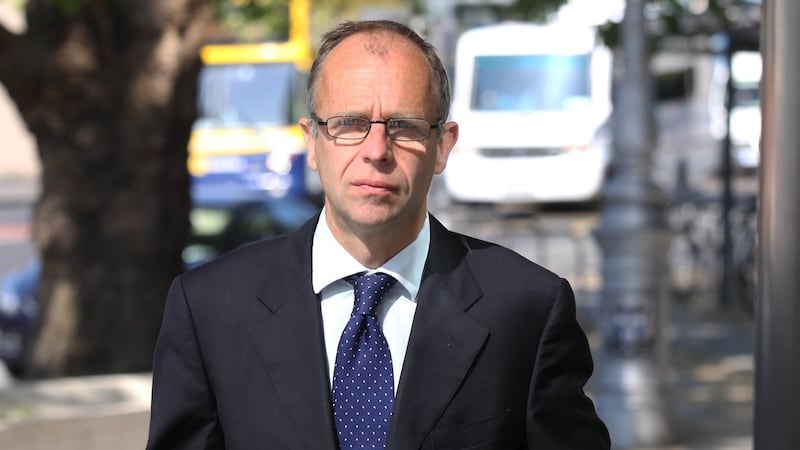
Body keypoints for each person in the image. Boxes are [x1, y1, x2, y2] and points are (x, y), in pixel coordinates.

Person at [146, 20, 610, 450]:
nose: (376, 151)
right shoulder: (208, 308)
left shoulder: (528, 309)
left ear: (443, 146)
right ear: (311, 141)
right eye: (349, 124)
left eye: (403, 126)